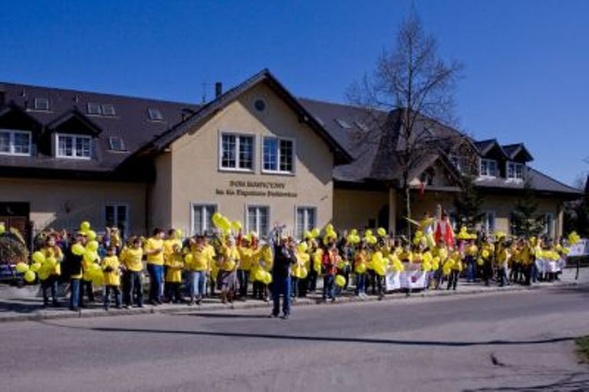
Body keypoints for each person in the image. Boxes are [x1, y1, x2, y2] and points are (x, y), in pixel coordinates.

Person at [269, 227, 296, 319]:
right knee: (275, 295)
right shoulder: (276, 249)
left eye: (285, 241)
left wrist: (289, 255)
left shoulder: (289, 251)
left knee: (286, 295)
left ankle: (286, 312)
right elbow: (270, 239)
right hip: (277, 274)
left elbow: (294, 260)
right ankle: (275, 311)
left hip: (286, 276)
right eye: (282, 241)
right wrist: (274, 230)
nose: (284, 242)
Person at [39, 235, 63, 307]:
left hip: (54, 270)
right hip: (46, 270)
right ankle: (45, 301)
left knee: (54, 287)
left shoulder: (57, 249)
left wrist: (56, 260)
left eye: (53, 240)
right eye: (50, 240)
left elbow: (61, 258)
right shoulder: (43, 249)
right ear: (46, 241)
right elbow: (41, 259)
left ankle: (55, 300)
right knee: (45, 287)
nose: (52, 242)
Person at [120, 236, 144, 308]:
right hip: (130, 271)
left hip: (139, 270)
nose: (140, 245)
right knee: (130, 288)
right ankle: (129, 303)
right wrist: (123, 266)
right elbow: (121, 259)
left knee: (140, 288)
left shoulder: (141, 250)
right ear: (134, 244)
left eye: (140, 244)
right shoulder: (128, 251)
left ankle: (140, 303)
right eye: (138, 244)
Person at [144, 228, 165, 305]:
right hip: (152, 263)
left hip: (160, 263)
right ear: (158, 234)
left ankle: (155, 298)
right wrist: (155, 251)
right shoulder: (149, 240)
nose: (163, 235)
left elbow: (163, 252)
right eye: (162, 233)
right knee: (157, 281)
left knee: (158, 282)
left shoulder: (162, 241)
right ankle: (155, 297)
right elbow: (145, 251)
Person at [102, 245, 122, 310]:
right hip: (108, 279)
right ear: (108, 251)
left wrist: (121, 267)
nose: (113, 252)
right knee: (108, 293)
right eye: (112, 251)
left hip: (115, 278)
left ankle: (119, 304)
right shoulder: (105, 259)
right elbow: (103, 268)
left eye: (114, 251)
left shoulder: (116, 257)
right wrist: (108, 268)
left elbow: (118, 265)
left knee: (118, 292)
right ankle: (107, 305)